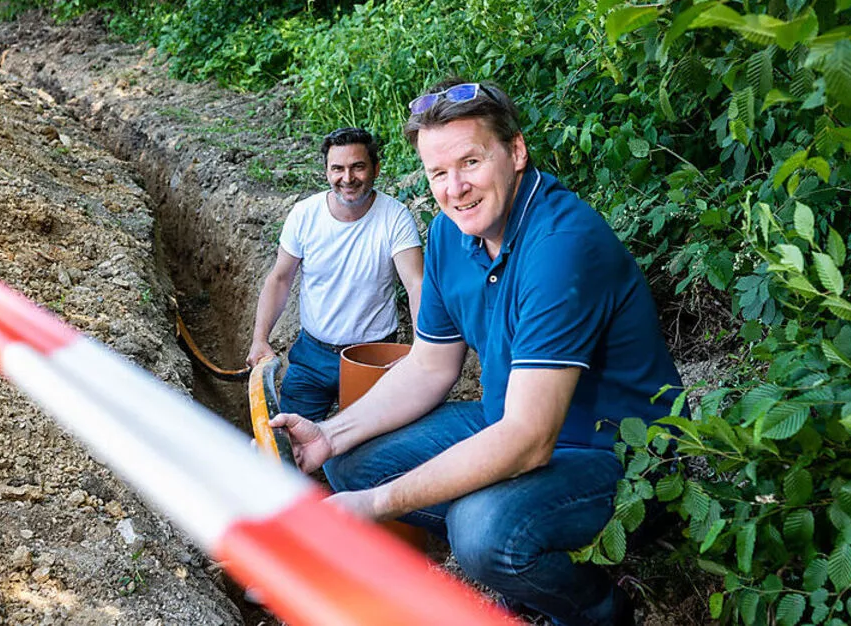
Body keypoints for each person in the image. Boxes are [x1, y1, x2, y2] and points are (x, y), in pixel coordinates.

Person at [270, 80, 682, 626]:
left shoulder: (562, 246)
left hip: (623, 456)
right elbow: (430, 364)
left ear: (515, 151)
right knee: (354, 460)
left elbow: (528, 440)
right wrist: (331, 433)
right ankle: (523, 566)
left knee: (482, 531)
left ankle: (599, 608)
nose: (456, 188)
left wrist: (376, 506)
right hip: (510, 421)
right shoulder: (448, 234)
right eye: (438, 173)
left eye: (470, 162)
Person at [246, 127, 424, 422]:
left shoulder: (395, 217)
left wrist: (419, 354)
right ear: (326, 172)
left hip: (372, 358)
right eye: (338, 168)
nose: (348, 178)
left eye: (358, 167)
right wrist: (259, 338)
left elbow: (416, 285)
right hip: (312, 356)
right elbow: (279, 279)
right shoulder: (304, 215)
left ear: (376, 169)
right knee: (290, 439)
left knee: (364, 451)